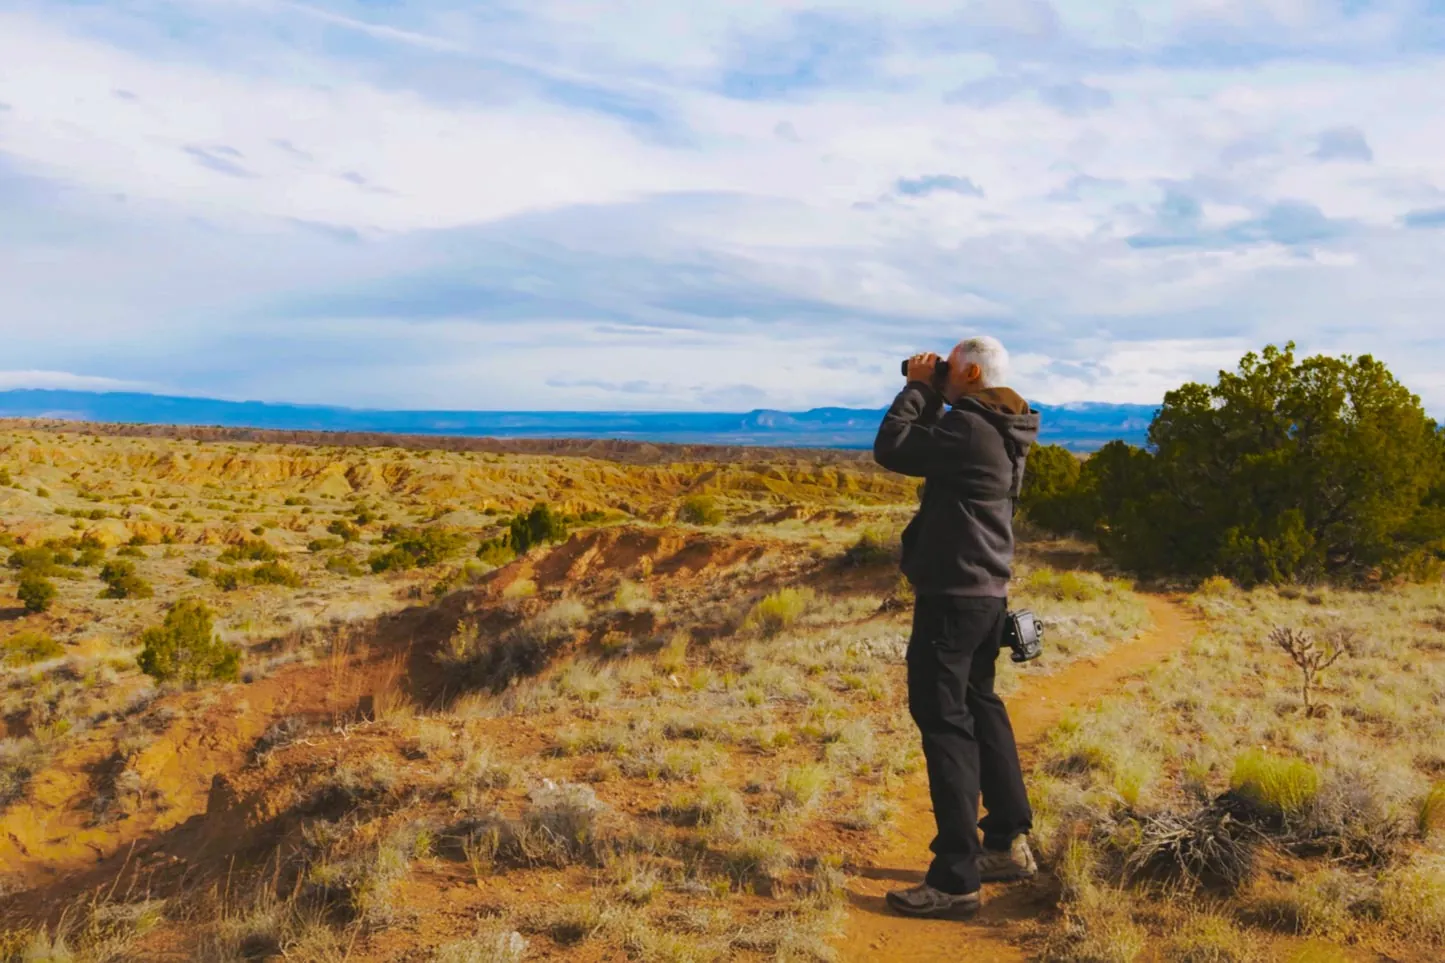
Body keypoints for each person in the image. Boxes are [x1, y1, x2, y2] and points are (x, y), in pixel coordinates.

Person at [872, 335, 1041, 919]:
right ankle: (1004, 842)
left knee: (945, 723)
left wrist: (918, 387)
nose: (940, 374)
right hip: (984, 593)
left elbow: (892, 448)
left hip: (952, 595)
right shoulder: (999, 426)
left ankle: (954, 878)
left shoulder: (969, 429)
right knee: (980, 704)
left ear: (969, 373)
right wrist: (939, 393)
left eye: (948, 369)